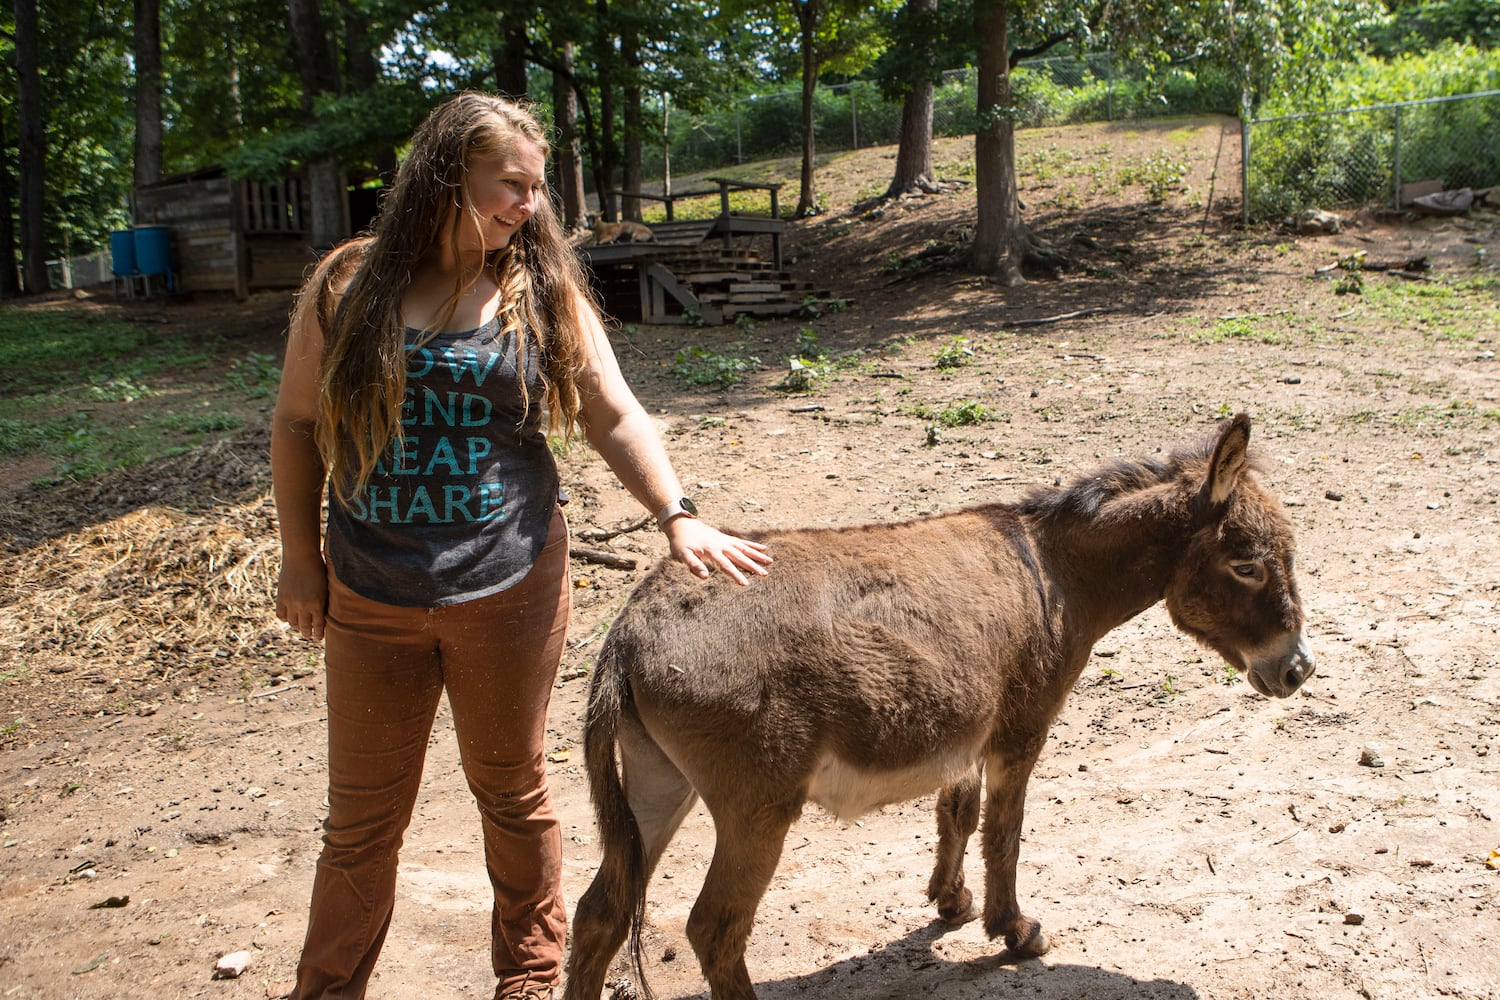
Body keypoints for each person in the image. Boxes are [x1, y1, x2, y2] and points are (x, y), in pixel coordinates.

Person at [270, 91, 772, 1000]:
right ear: (446, 173)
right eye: (510, 184)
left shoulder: (538, 288)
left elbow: (615, 411)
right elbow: (299, 424)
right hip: (370, 592)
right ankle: (326, 990)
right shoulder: (347, 283)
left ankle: (531, 981)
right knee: (360, 823)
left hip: (508, 584)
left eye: (536, 189)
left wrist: (678, 512)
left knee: (511, 791)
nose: (527, 207)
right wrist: (300, 560)